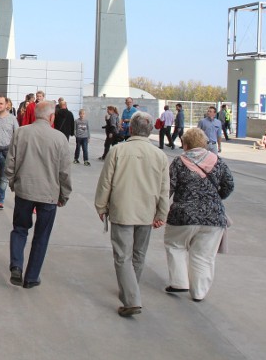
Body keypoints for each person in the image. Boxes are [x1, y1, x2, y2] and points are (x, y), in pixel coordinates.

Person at [94, 112, 169, 317]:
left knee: (122, 255)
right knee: (138, 255)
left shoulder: (118, 151)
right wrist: (162, 212)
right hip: (147, 211)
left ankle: (131, 298)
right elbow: (164, 189)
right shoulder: (160, 156)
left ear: (131, 129)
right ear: (151, 129)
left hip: (122, 209)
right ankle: (130, 291)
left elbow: (106, 181)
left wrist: (101, 205)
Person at [6, 100, 72, 289]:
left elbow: (10, 164)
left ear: (35, 115)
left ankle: (16, 266)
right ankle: (31, 277)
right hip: (49, 194)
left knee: (19, 229)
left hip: (24, 190)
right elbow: (65, 172)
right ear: (52, 117)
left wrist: (13, 183)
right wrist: (64, 195)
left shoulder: (21, 132)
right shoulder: (60, 139)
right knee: (41, 236)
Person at [164, 128, 235, 302]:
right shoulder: (218, 161)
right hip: (213, 217)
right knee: (203, 255)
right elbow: (229, 185)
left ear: (186, 144)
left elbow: (168, 188)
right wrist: (217, 198)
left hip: (183, 215)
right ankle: (199, 292)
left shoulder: (179, 162)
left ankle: (179, 282)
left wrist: (159, 207)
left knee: (175, 245)